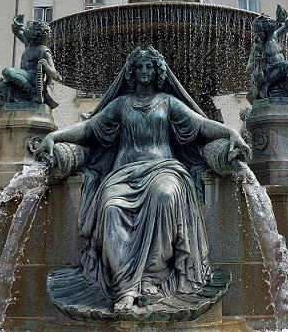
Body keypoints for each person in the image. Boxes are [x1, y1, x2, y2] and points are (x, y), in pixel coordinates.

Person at [35, 47, 250, 314]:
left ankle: (151, 280)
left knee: (166, 196)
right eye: (140, 67)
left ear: (158, 71)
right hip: (123, 174)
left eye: (150, 67)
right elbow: (89, 127)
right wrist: (55, 137)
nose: (145, 72)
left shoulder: (168, 102)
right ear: (132, 72)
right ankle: (125, 288)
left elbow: (202, 124)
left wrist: (231, 132)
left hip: (164, 170)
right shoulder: (121, 104)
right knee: (111, 208)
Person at [0, 16, 61, 108]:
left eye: (30, 28)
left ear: (35, 34)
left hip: (32, 79)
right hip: (23, 76)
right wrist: (18, 25)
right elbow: (18, 32)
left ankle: (33, 93)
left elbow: (55, 74)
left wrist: (46, 66)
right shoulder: (28, 44)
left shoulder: (43, 51)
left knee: (7, 71)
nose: (27, 29)